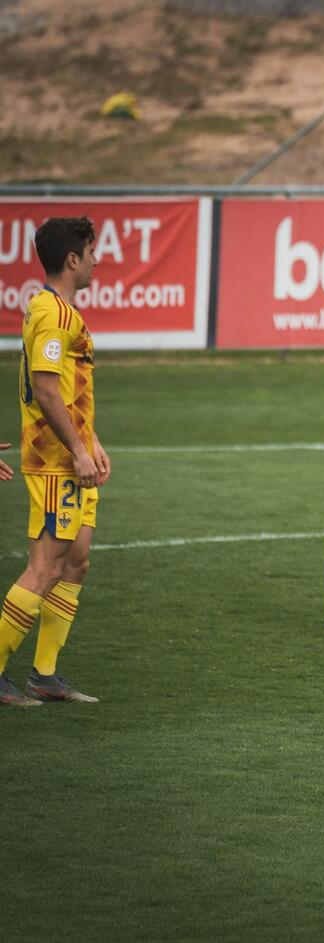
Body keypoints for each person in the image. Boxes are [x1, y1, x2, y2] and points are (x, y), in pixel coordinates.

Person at [0, 217, 109, 706]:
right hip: (55, 462)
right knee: (44, 568)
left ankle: (44, 675)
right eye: (91, 252)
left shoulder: (57, 310)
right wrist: (78, 450)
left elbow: (66, 388)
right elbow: (45, 391)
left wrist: (92, 440)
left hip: (72, 456)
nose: (95, 261)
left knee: (76, 562)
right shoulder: (53, 314)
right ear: (72, 259)